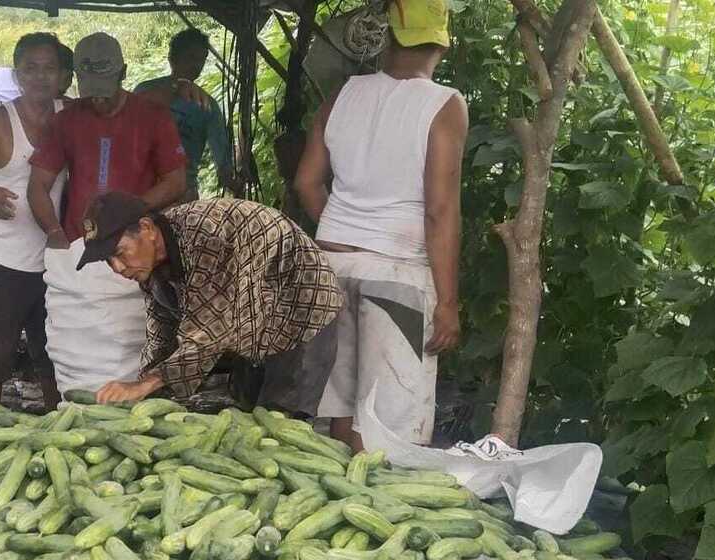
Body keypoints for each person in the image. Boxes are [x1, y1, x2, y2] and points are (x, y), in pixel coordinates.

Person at [293, 0, 466, 449]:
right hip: (397, 274)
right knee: (391, 424)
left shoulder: (343, 95)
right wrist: (448, 302)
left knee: (340, 405)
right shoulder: (444, 106)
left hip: (331, 266)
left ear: (387, 37)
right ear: (442, 46)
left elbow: (307, 184)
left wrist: (349, 233)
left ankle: (341, 505)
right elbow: (439, 211)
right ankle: (376, 508)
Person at [80, 192, 344, 414]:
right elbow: (162, 332)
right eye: (107, 260)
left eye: (119, 253)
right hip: (249, 318)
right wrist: (144, 389)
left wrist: (147, 384)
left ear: (147, 229)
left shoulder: (207, 236)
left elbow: (210, 330)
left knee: (280, 422)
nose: (117, 267)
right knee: (247, 410)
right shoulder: (151, 261)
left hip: (299, 309)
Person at [28, 32, 187, 394]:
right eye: (90, 90)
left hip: (133, 247)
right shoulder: (67, 120)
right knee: (75, 349)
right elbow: (38, 185)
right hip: (81, 251)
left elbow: (176, 181)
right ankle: (75, 406)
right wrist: (55, 235)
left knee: (133, 345)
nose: (97, 99)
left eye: (105, 88)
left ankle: (134, 402)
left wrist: (134, 210)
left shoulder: (152, 117)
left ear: (124, 73)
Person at [0, 33, 65, 409]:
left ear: (61, 73)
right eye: (31, 68)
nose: (40, 76)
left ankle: (59, 420)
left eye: (49, 68)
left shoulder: (70, 114)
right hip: (2, 259)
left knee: (55, 351)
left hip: (55, 257)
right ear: (17, 74)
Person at [135, 28, 235, 201]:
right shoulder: (146, 91)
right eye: (190, 58)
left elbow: (223, 162)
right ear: (173, 58)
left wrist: (233, 179)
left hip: (182, 193)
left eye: (201, 60)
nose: (196, 65)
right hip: (143, 187)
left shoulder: (206, 105)